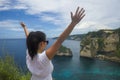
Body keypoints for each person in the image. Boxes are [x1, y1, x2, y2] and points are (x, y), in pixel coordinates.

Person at [20, 7, 85, 80]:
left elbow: (29, 38)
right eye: (46, 42)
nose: (46, 44)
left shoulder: (29, 53)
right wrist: (73, 23)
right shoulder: (43, 59)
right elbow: (59, 41)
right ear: (41, 44)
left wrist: (24, 27)